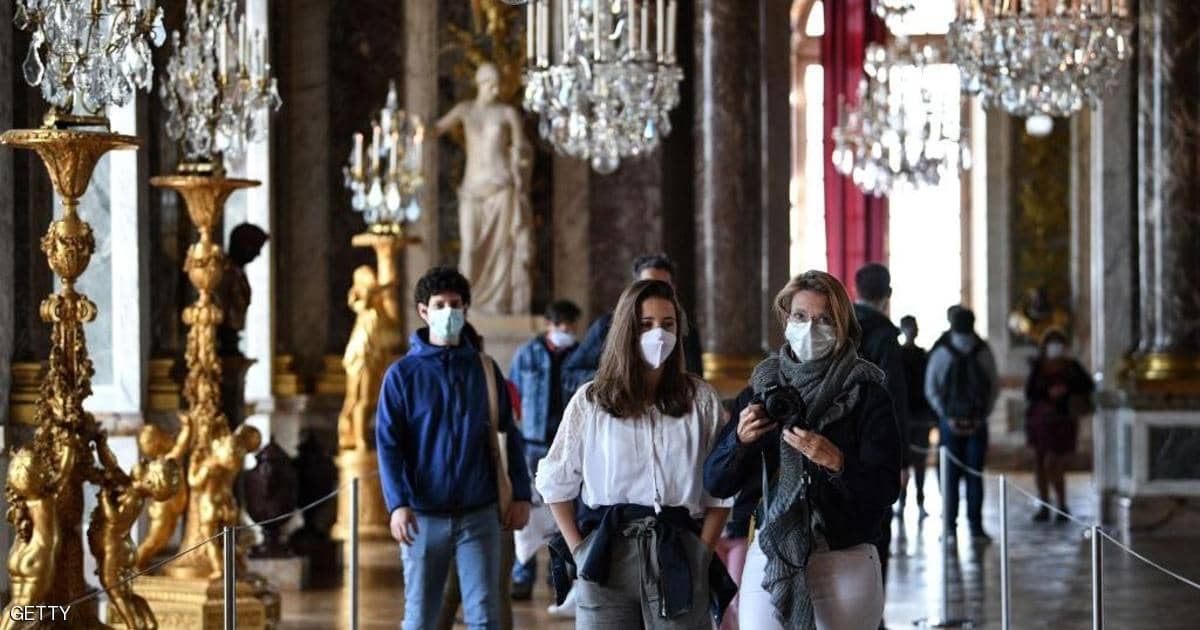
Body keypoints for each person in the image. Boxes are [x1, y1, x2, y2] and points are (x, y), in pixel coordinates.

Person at [705, 270, 902, 630]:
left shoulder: (867, 394)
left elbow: (886, 487)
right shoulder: (762, 391)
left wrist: (838, 462)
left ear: (842, 326)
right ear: (786, 319)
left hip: (844, 554)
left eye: (824, 319)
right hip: (771, 551)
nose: (810, 328)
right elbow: (716, 482)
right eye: (800, 316)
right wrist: (739, 442)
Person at [536, 280, 735, 630]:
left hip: (678, 551)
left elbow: (720, 485)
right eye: (646, 324)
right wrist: (579, 550)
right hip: (607, 553)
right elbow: (555, 480)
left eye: (668, 324)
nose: (659, 334)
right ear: (627, 330)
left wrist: (703, 552)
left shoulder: (699, 399)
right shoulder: (591, 400)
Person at [376, 267, 533, 630]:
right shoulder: (402, 375)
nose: (449, 311)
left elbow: (508, 433)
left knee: (486, 617)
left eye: (455, 304)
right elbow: (389, 445)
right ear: (424, 311)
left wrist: (521, 495)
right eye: (440, 305)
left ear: (465, 308)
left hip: (479, 513)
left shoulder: (485, 369)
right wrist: (397, 504)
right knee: (421, 618)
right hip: (421, 516)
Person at [436, 62, 534, 315]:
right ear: (480, 83)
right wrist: (412, 127)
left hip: (502, 186)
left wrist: (521, 156)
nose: (496, 89)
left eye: (498, 84)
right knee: (469, 248)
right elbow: (433, 130)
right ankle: (466, 303)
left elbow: (522, 148)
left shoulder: (507, 113)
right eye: (491, 84)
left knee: (503, 250)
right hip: (472, 187)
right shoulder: (465, 109)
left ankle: (499, 302)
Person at [508, 299, 582, 601]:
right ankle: (522, 575)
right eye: (562, 325)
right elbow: (513, 393)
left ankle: (558, 575)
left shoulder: (580, 355)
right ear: (549, 325)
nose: (567, 331)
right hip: (533, 442)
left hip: (567, 444)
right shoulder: (527, 354)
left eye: (571, 326)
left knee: (563, 512)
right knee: (529, 513)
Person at [852, 263, 908, 613]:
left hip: (835, 442)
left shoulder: (839, 325)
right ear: (888, 295)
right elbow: (894, 398)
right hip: (873, 446)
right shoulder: (884, 335)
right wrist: (901, 459)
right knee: (876, 533)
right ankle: (873, 613)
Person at [563, 253, 704, 392]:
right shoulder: (606, 326)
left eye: (663, 286)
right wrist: (610, 381)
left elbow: (695, 379)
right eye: (645, 325)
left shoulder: (686, 331)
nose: (656, 293)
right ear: (634, 287)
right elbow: (571, 373)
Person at [924, 307, 999, 542]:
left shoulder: (942, 351)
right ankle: (976, 528)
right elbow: (994, 386)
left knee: (949, 478)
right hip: (977, 423)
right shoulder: (983, 351)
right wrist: (982, 415)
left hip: (950, 423)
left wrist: (945, 414)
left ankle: (949, 528)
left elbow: (931, 387)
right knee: (975, 476)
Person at [1024, 329, 1094, 522]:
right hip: (1040, 420)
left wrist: (1067, 389)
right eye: (1052, 343)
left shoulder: (1072, 367)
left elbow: (1087, 387)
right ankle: (1044, 504)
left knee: (1054, 462)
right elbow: (1030, 393)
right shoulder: (1038, 366)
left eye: (1059, 343)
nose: (1055, 347)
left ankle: (1062, 504)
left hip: (1062, 420)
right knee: (1040, 462)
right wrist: (1048, 393)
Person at [897, 316, 936, 518]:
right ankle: (901, 503)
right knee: (901, 463)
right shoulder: (897, 355)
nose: (912, 331)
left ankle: (920, 502)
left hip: (920, 416)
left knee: (920, 463)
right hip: (903, 417)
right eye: (909, 327)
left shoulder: (923, 356)